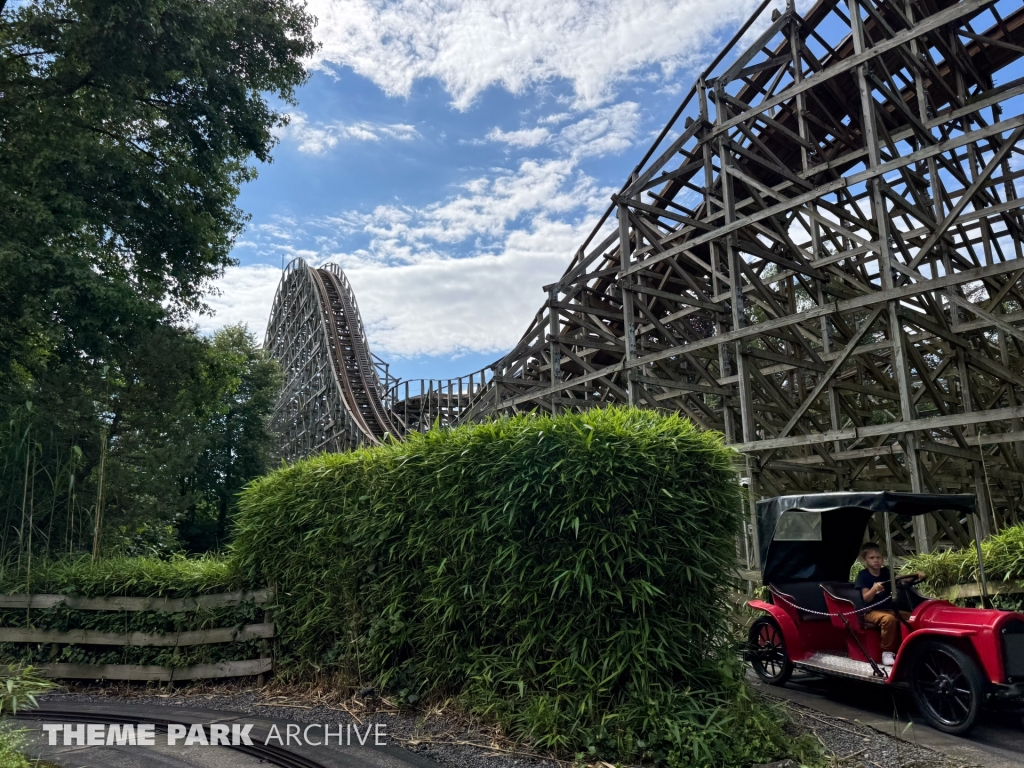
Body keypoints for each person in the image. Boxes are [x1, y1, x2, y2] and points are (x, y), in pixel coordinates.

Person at [853, 543, 925, 666]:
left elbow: (898, 579)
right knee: (888, 619)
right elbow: (866, 598)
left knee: (912, 617)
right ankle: (887, 651)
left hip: (889, 608)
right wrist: (874, 589)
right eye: (872, 558)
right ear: (864, 560)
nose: (876, 560)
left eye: (878, 557)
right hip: (871, 611)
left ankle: (914, 647)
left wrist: (915, 575)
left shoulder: (886, 572)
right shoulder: (863, 576)